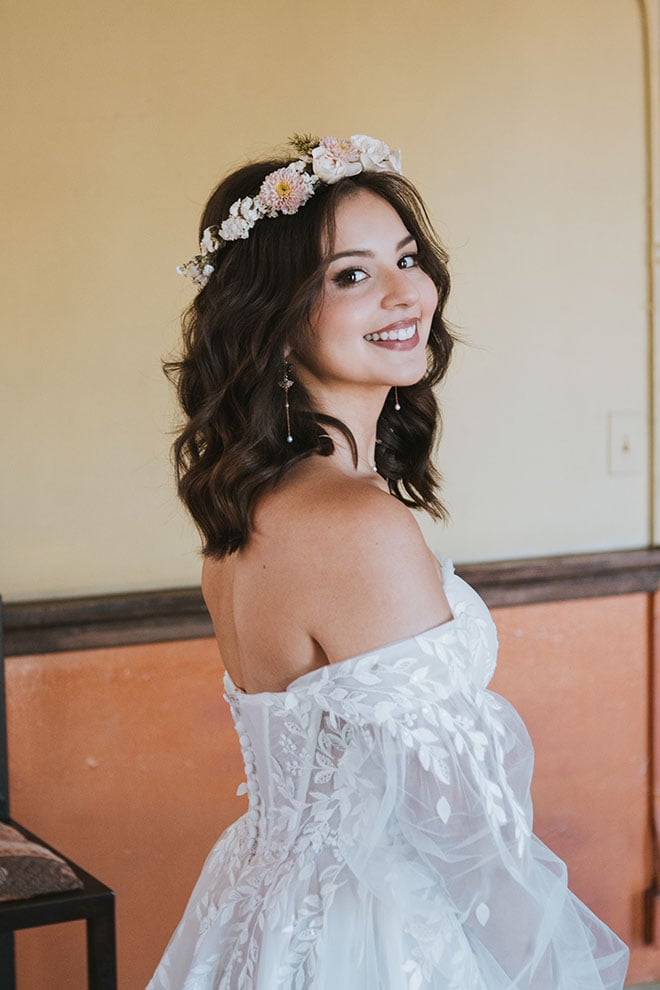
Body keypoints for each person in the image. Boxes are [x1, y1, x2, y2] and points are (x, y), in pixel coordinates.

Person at [148, 134, 629, 988]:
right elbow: (464, 833)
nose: (409, 292)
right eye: (352, 274)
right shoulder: (355, 525)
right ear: (275, 316)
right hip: (379, 938)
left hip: (263, 910)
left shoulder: (249, 510)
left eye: (407, 258)